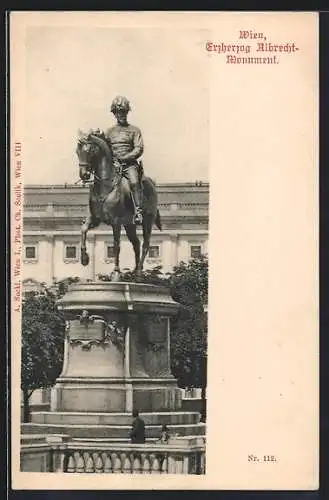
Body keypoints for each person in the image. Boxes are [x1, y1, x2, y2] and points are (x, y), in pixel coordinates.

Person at [105, 96, 144, 225]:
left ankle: (138, 211)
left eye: (123, 112)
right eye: (118, 112)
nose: (121, 114)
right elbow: (105, 149)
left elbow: (139, 148)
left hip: (129, 165)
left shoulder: (135, 130)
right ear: (114, 114)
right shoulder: (109, 132)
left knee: (134, 182)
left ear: (127, 112)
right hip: (113, 165)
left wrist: (125, 158)